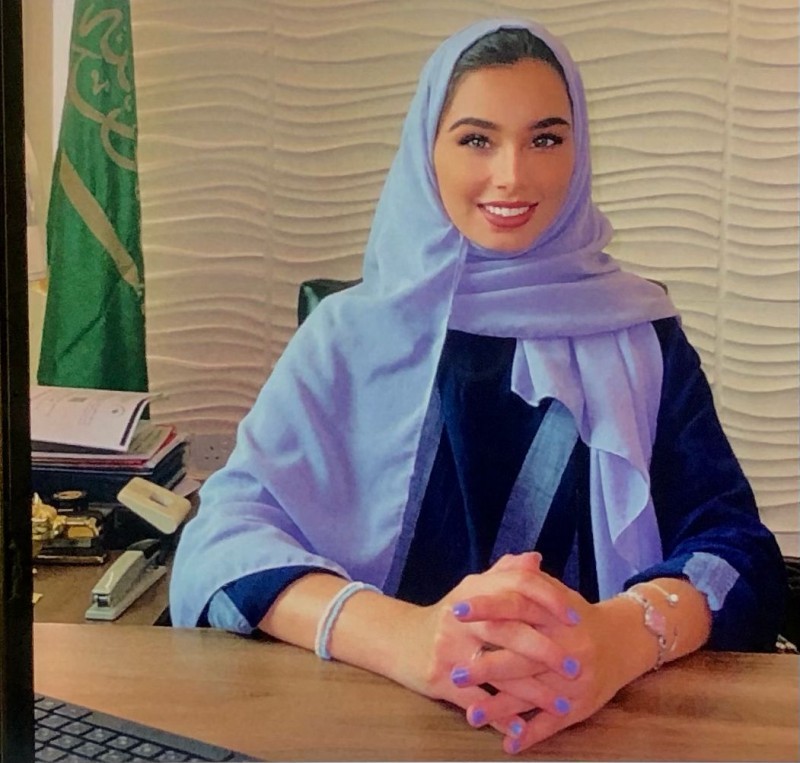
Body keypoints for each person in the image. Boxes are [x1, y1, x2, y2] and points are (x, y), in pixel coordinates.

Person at [170, 18, 786, 754]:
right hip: (370, 728)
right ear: (426, 152)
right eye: (476, 140)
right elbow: (222, 542)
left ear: (579, 151)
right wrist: (404, 637)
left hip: (593, 726)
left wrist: (619, 637)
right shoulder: (349, 336)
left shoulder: (641, 335)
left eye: (545, 139)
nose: (513, 176)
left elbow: (737, 550)